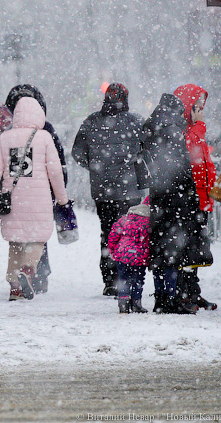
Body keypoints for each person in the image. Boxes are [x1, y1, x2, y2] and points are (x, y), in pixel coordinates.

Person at [0, 96, 69, 301]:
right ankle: (28, 271)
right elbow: (55, 172)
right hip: (39, 201)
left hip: (13, 201)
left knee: (15, 243)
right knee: (36, 241)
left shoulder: (5, 138)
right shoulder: (45, 138)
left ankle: (14, 287)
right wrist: (62, 199)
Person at [71, 83, 147, 297]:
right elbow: (146, 151)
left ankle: (110, 280)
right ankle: (127, 277)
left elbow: (77, 153)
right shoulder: (136, 122)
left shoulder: (91, 122)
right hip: (129, 191)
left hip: (102, 191)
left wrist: (96, 168)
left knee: (108, 233)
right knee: (129, 234)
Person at [140, 93, 199, 315]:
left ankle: (160, 297)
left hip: (158, 194)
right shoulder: (174, 129)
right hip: (177, 196)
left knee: (158, 246)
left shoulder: (150, 127)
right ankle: (170, 298)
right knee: (172, 248)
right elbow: (182, 165)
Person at [173, 84, 218, 312]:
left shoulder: (194, 129)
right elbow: (191, 154)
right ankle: (184, 293)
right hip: (189, 199)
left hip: (200, 198)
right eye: (197, 104)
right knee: (187, 248)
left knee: (196, 249)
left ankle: (192, 291)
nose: (201, 108)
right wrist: (199, 127)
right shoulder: (184, 130)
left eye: (202, 104)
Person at [107, 197, 151, 314]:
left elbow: (113, 235)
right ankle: (136, 303)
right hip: (139, 257)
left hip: (122, 254)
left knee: (123, 278)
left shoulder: (125, 219)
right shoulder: (149, 222)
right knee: (138, 280)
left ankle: (123, 304)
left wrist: (111, 248)